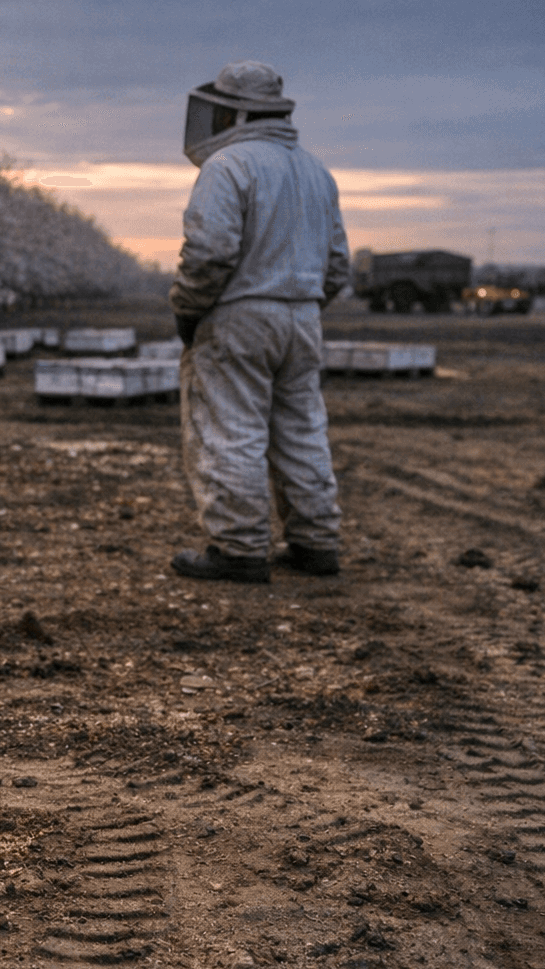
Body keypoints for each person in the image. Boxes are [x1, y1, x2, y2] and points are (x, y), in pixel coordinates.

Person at [168, 60, 350, 584]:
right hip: (304, 316)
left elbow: (208, 253)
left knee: (231, 430)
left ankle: (240, 549)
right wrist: (302, 305)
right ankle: (317, 543)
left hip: (239, 315)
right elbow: (338, 264)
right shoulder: (317, 171)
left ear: (236, 114)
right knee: (303, 431)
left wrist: (187, 307)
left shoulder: (228, 166)